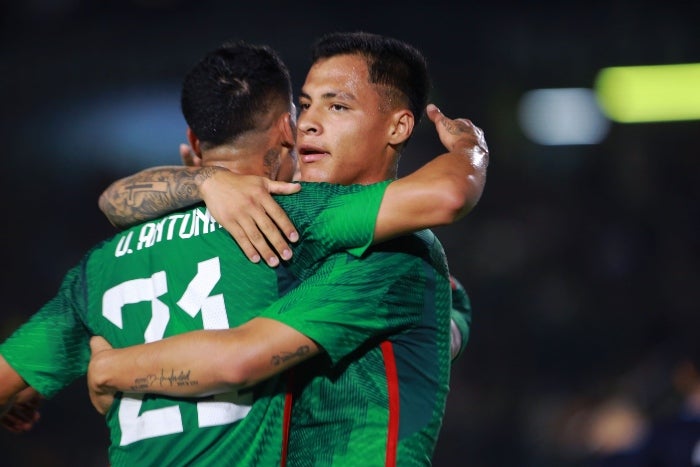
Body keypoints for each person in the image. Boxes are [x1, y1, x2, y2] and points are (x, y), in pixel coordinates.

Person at [0, 37, 488, 466]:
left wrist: (110, 369)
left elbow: (113, 202)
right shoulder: (295, 223)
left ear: (192, 144)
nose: (311, 125)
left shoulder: (100, 265)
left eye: (336, 107)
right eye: (305, 108)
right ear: (284, 130)